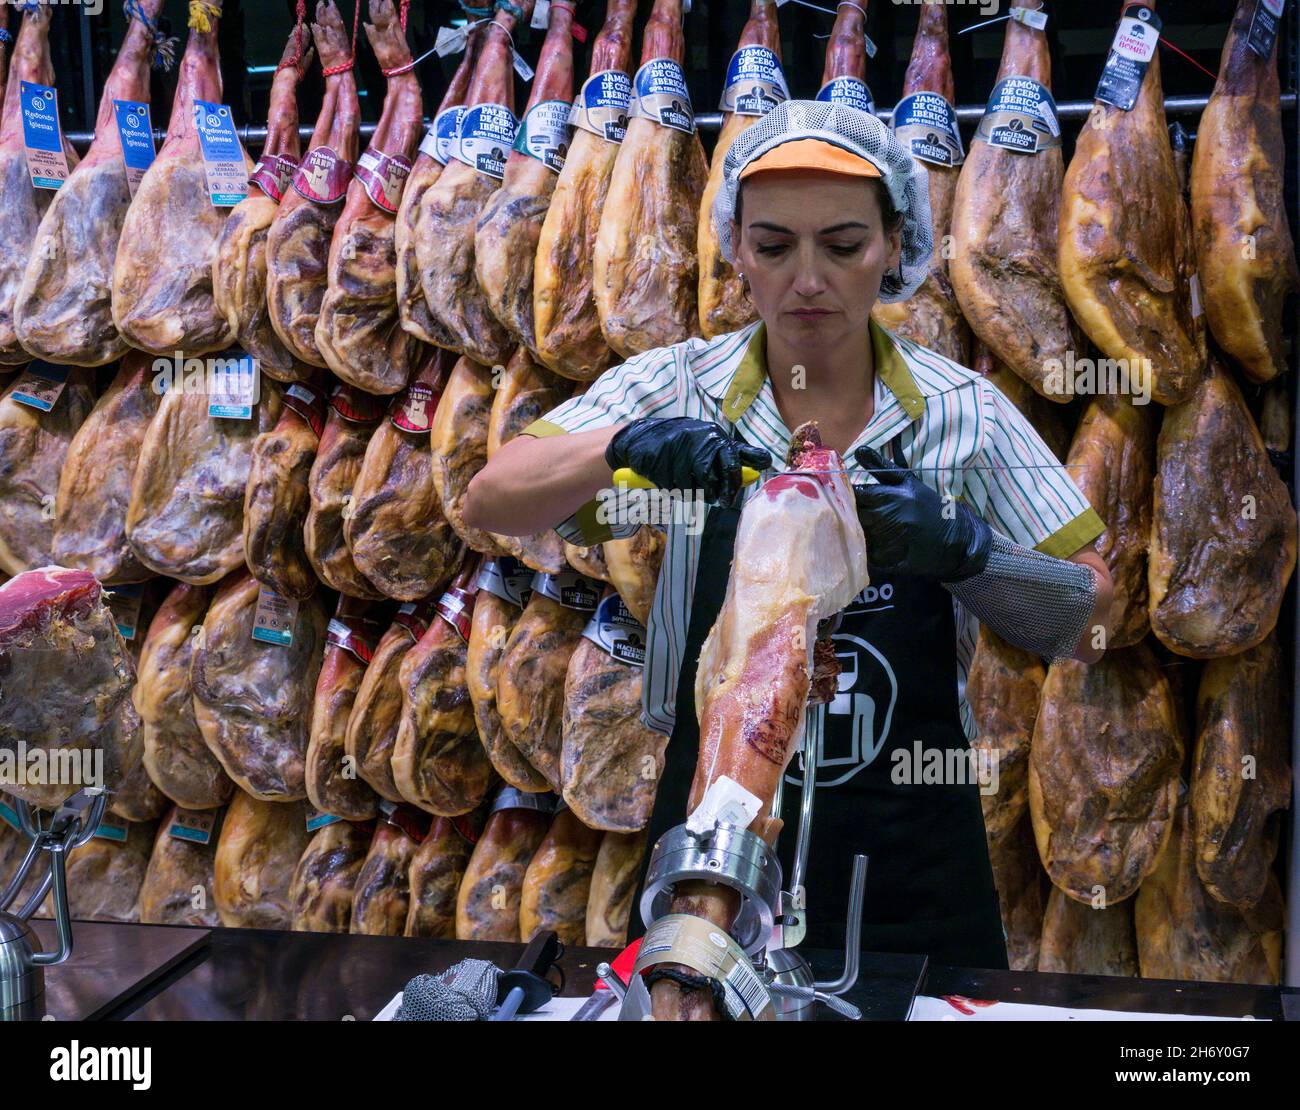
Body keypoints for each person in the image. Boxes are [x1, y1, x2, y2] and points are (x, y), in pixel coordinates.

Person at [465, 99, 1113, 970]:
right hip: (711, 849)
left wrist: (970, 551)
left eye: (843, 246)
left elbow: (1088, 619)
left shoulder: (966, 414)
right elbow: (492, 501)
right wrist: (620, 445)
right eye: (774, 246)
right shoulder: (676, 387)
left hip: (914, 857)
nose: (808, 279)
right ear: (735, 248)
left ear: (893, 246)